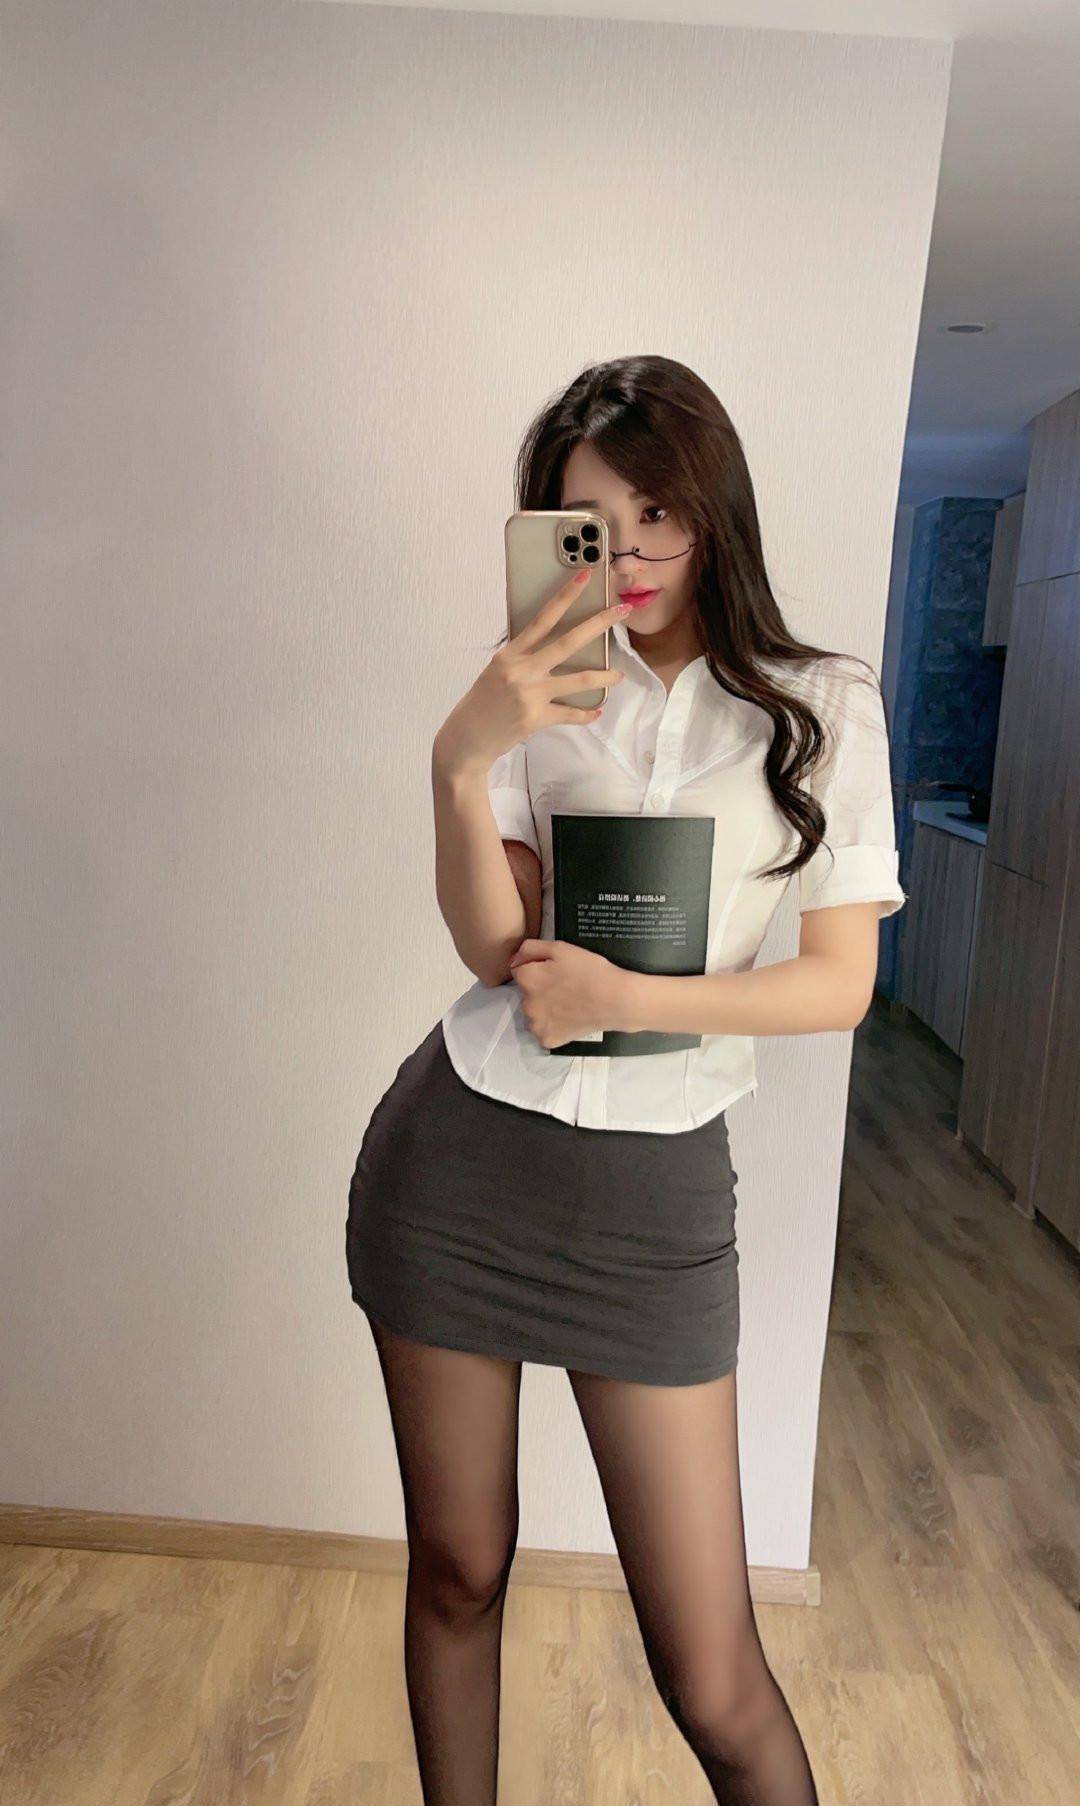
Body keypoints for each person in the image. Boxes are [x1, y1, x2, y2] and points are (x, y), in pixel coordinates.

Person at [346, 355, 906, 1805]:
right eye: (593, 525)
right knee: (458, 1569)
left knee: (711, 1671)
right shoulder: (540, 694)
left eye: (660, 512)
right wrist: (459, 761)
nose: (635, 554)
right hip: (460, 1168)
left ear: (714, 512)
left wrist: (635, 999)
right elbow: (496, 946)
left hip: (655, 1199)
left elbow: (838, 983)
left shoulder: (820, 706)